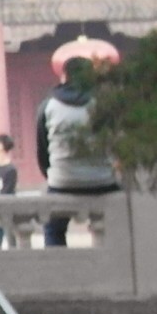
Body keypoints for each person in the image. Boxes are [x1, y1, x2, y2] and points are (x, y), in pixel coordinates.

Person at [36, 57, 120, 247]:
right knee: (121, 220)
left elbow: (42, 150)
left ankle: (57, 268)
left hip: (62, 182)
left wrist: (53, 176)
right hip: (103, 181)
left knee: (53, 227)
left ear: (64, 76)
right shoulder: (105, 102)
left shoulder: (48, 106)